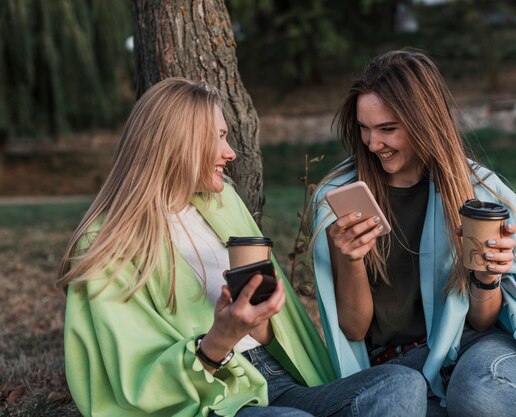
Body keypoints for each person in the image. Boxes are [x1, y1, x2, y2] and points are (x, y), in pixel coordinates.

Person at [59, 77, 429, 417]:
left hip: (279, 378)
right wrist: (220, 338)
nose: (231, 152)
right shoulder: (108, 244)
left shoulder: (223, 204)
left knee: (400, 384)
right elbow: (128, 382)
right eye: (218, 137)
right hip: (213, 399)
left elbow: (271, 332)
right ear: (177, 144)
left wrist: (260, 318)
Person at [311, 49, 516, 417]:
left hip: (480, 350)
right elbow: (353, 327)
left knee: (476, 395)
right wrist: (350, 260)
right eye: (364, 128)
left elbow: (482, 320)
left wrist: (488, 278)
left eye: (387, 129)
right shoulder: (341, 196)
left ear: (423, 122)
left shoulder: (475, 191)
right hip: (400, 370)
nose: (372, 144)